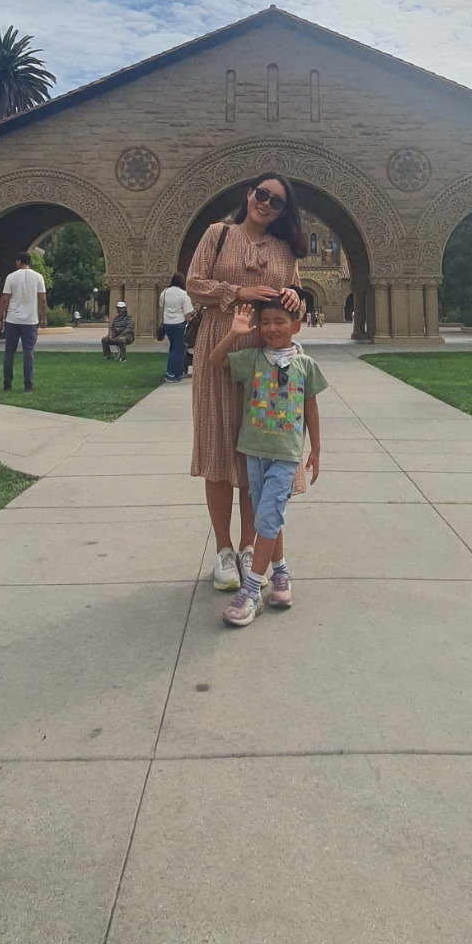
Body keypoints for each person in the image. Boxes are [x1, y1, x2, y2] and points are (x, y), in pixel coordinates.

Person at [187, 171, 305, 592]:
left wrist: (295, 297)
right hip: (220, 349)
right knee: (219, 449)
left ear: (283, 211)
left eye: (277, 202)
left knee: (258, 454)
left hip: (266, 360)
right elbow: (194, 285)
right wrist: (239, 292)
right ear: (249, 194)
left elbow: (294, 304)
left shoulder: (284, 250)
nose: (266, 204)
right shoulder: (217, 234)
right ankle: (223, 550)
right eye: (262, 194)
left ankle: (248, 547)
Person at [208, 295, 327, 625]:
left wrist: (315, 449)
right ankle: (281, 573)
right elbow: (215, 360)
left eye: (280, 322)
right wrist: (234, 333)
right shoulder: (253, 359)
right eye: (265, 323)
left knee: (268, 518)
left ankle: (250, 593)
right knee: (268, 518)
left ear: (295, 326)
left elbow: (311, 407)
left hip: (286, 454)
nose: (272, 328)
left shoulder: (305, 365)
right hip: (255, 451)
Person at [0, 251, 47, 393]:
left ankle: (7, 384)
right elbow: (42, 299)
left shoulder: (11, 277)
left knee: (9, 352)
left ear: (18, 261)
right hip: (30, 320)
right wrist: (44, 317)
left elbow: (5, 299)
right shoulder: (38, 277)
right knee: (28, 352)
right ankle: (28, 385)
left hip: (13, 319)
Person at [158, 270, 194, 381]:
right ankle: (175, 375)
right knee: (179, 349)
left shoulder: (164, 293)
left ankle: (169, 371)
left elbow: (161, 307)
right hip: (179, 323)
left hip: (167, 324)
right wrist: (190, 325)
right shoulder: (184, 294)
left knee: (173, 348)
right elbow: (187, 314)